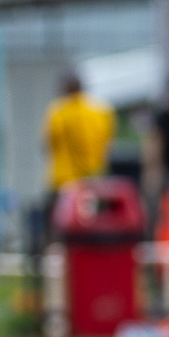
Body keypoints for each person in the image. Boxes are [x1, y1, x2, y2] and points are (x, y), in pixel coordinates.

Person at [42, 72, 114, 231]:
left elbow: (48, 144)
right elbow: (107, 143)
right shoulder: (100, 112)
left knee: (58, 227)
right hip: (94, 179)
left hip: (64, 181)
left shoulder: (58, 112)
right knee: (94, 228)